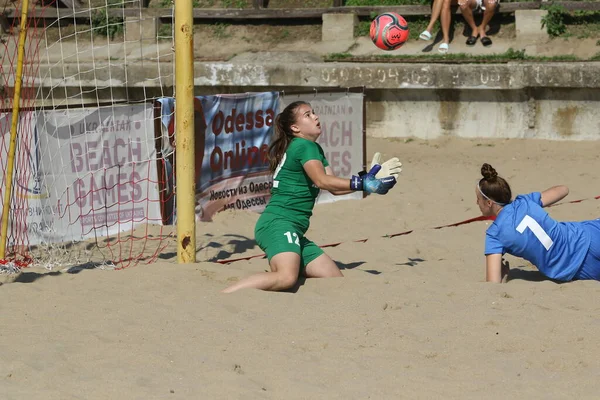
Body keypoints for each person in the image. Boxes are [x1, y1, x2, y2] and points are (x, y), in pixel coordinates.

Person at [222, 101, 401, 293]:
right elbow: (322, 181)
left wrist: (368, 184)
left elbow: (334, 188)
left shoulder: (312, 148)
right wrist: (362, 183)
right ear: (295, 128)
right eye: (308, 115)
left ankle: (286, 263)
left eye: (314, 113)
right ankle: (226, 294)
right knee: (286, 278)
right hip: (278, 224)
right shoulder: (304, 146)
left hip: (293, 229)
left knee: (334, 277)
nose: (315, 117)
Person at [476, 163, 600, 283]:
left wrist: (503, 271)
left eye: (478, 199)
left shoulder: (494, 235)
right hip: (587, 235)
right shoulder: (524, 202)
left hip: (573, 267)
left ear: (489, 203)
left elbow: (493, 282)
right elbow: (564, 190)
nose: (477, 203)